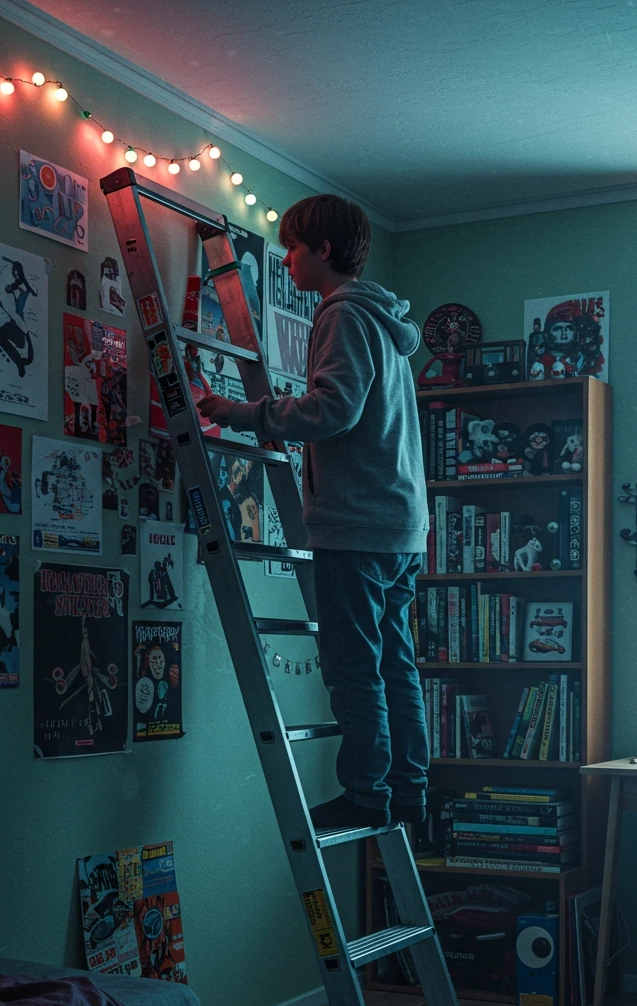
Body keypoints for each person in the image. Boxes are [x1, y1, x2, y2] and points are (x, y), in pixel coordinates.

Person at [197, 194, 429, 831]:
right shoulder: (383, 322)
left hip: (356, 525)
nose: (289, 261)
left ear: (323, 250)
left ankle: (366, 792)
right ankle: (407, 791)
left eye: (294, 248)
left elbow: (334, 410)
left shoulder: (342, 315)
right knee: (392, 663)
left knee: (355, 668)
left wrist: (242, 412)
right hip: (400, 527)